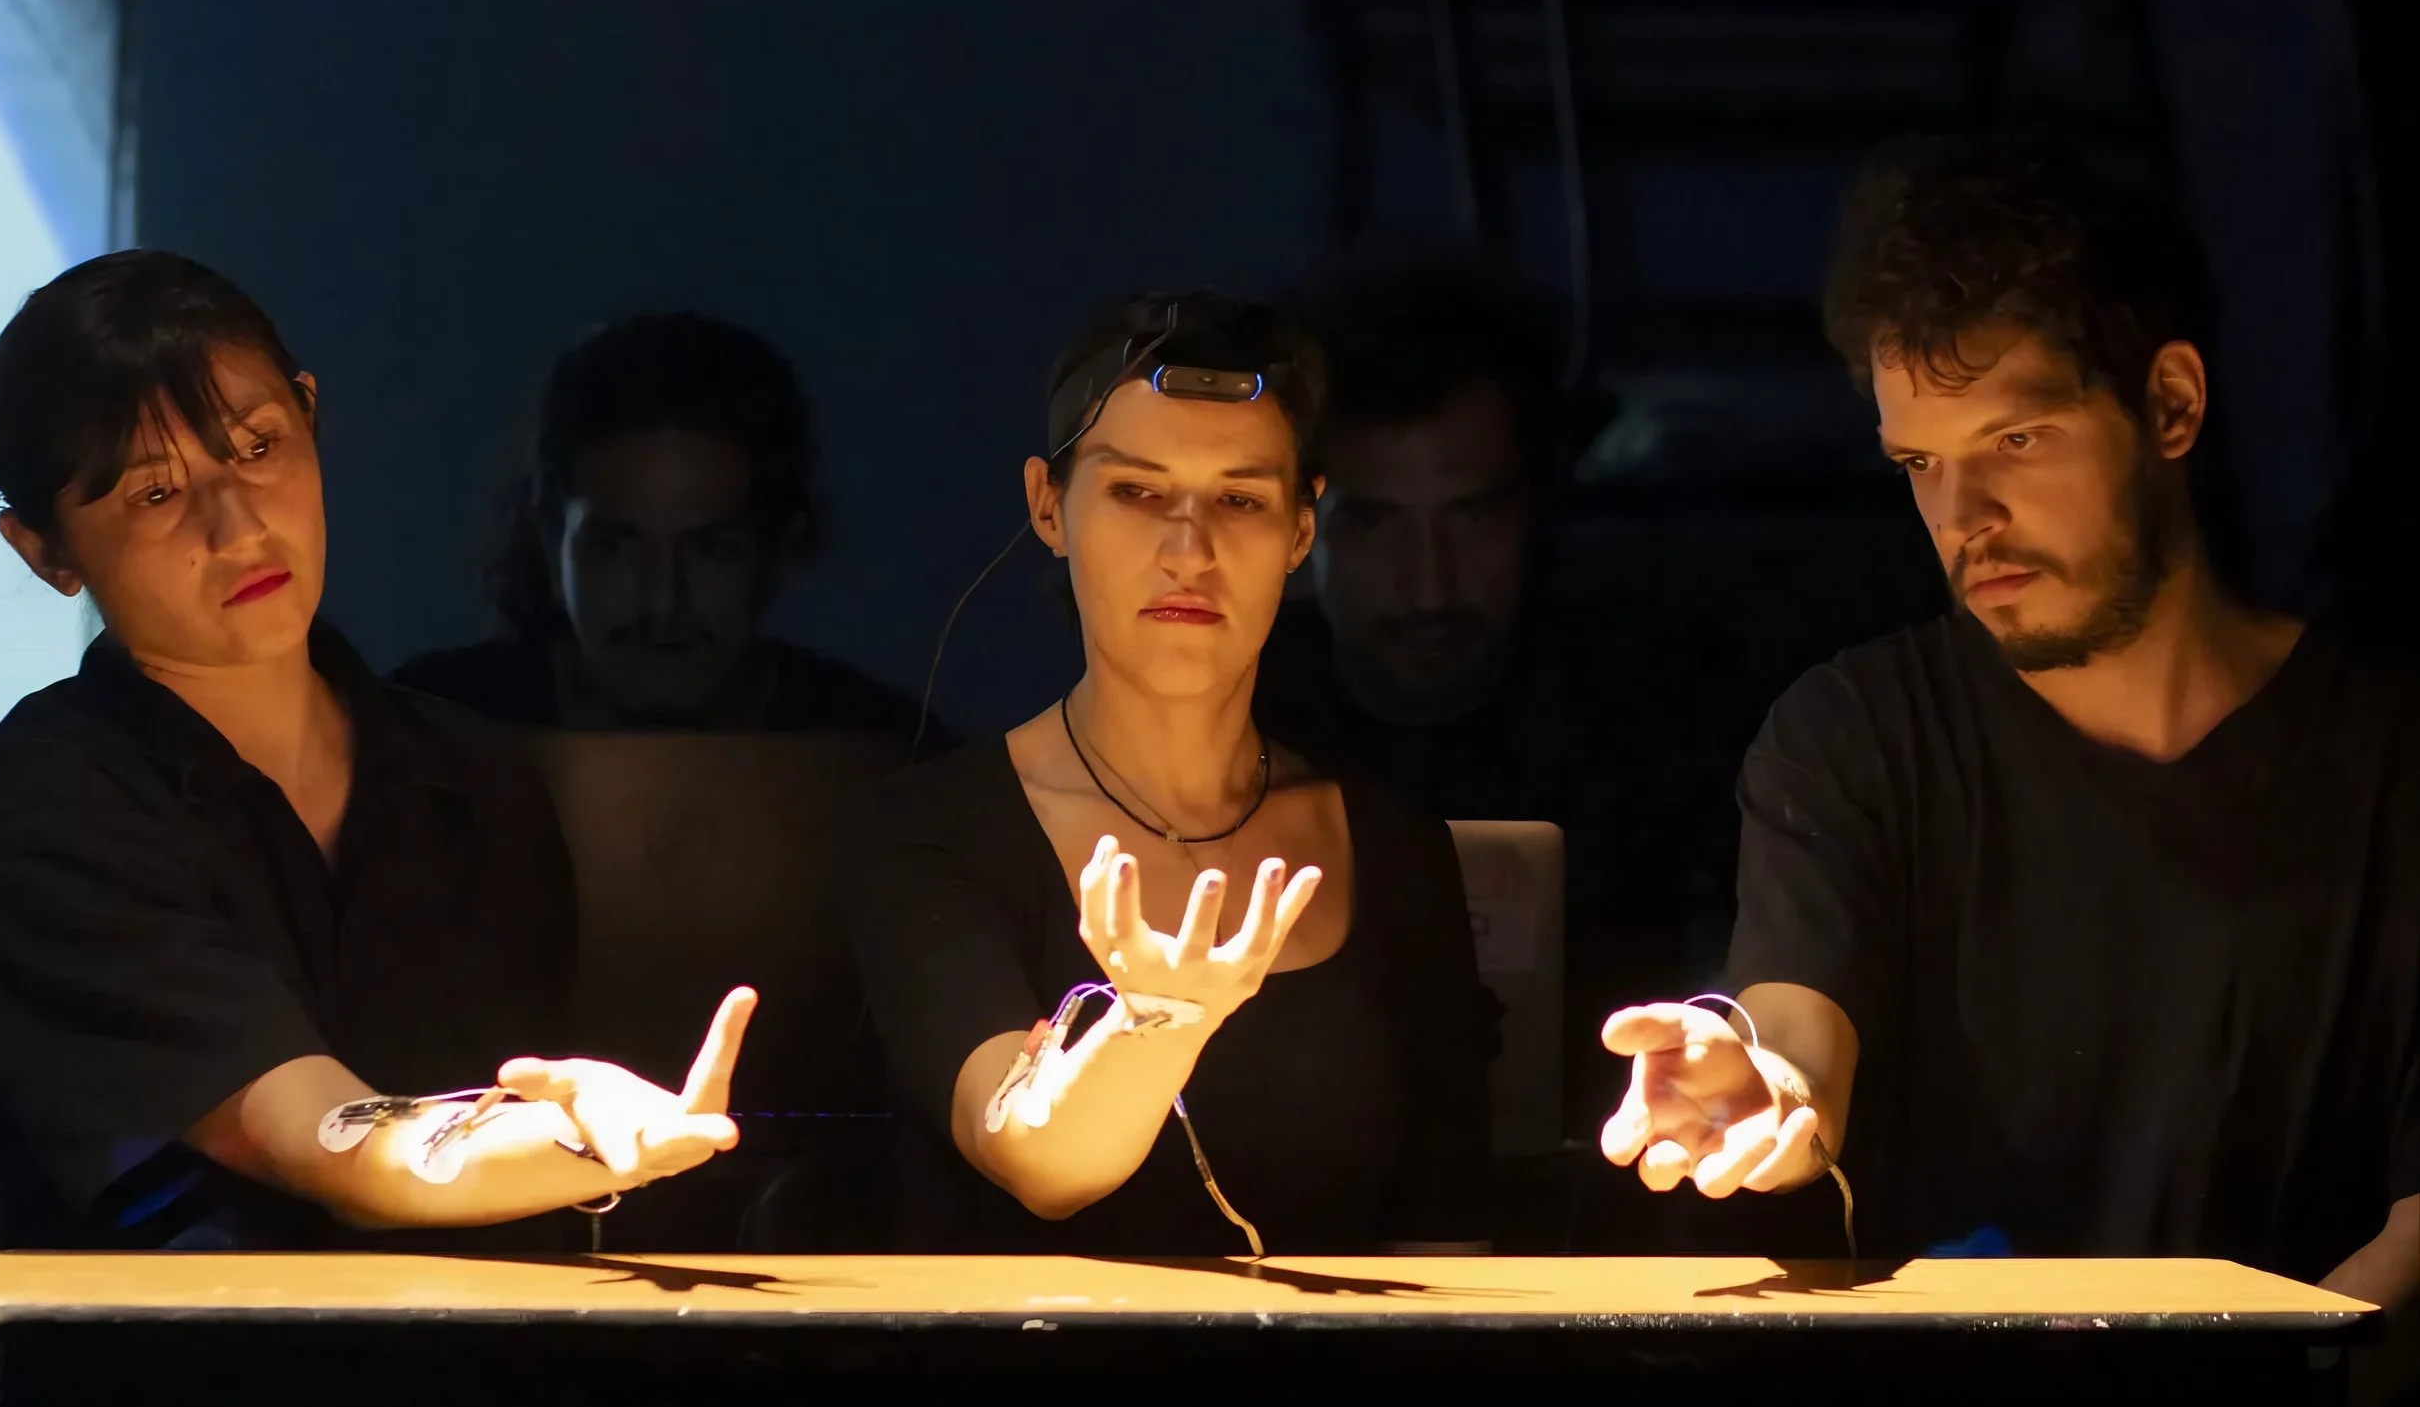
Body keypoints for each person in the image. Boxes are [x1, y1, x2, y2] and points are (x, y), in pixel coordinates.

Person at [1597, 139, 2420, 1400]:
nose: (1961, 515)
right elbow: (1801, 1014)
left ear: (2170, 405)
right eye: (1919, 463)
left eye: (2015, 437)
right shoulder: (1856, 735)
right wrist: (1762, 1074)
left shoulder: (2388, 753)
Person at [0, 252, 754, 1326]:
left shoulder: (471, 774)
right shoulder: (35, 819)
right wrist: (560, 1137)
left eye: (258, 446)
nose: (237, 526)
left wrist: (579, 1132)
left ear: (308, 415)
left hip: (449, 1360)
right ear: (45, 550)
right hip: (132, 1373)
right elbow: (313, 1133)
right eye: (155, 492)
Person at [840, 291, 1498, 1253]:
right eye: (1138, 493)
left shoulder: (1391, 848)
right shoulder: (928, 829)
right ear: (1048, 506)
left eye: (1240, 500)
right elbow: (1039, 1160)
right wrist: (1159, 1022)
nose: (1189, 551)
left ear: (1301, 531)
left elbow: (1447, 1236)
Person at [1253, 249, 1747, 1123]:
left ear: (1531, 513)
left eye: (1471, 518)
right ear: (1299, 525)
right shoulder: (1227, 716)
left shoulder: (1662, 708)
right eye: (1374, 524)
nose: (1428, 583)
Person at [395, 310, 927, 738]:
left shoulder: (884, 759)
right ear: (553, 542)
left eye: (710, 550)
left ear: (778, 550)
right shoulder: (420, 741)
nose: (662, 603)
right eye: (616, 549)